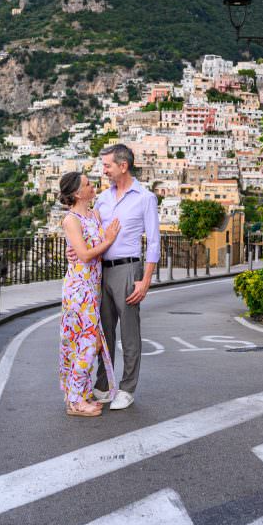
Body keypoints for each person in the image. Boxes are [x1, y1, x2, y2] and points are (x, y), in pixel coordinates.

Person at [89, 143, 161, 411]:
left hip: (129, 270)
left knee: (129, 333)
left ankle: (128, 387)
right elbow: (93, 232)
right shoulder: (103, 199)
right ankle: (104, 384)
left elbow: (154, 242)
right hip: (102, 270)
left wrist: (145, 280)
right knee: (104, 332)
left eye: (107, 165)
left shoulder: (145, 198)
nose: (103, 170)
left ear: (123, 166)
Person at [58, 172, 121, 417]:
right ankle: (74, 401)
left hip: (92, 288)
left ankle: (81, 394)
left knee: (87, 342)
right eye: (87, 184)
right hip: (78, 288)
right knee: (88, 342)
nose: (92, 186)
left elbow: (90, 252)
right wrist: (109, 239)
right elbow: (85, 255)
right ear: (76, 193)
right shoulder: (71, 220)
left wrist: (102, 244)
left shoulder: (93, 215)